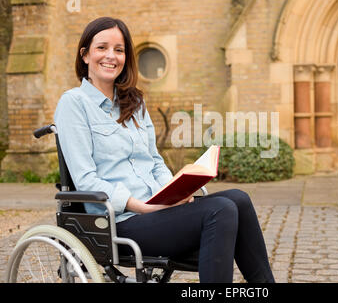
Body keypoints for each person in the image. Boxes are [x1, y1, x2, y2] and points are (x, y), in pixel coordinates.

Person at [54, 17, 274, 283]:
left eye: (119, 50)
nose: (111, 56)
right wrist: (142, 206)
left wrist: (175, 191)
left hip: (158, 210)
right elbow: (86, 179)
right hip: (120, 221)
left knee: (239, 198)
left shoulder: (134, 102)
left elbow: (155, 161)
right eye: (102, 48)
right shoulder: (73, 104)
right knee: (221, 209)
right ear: (85, 54)